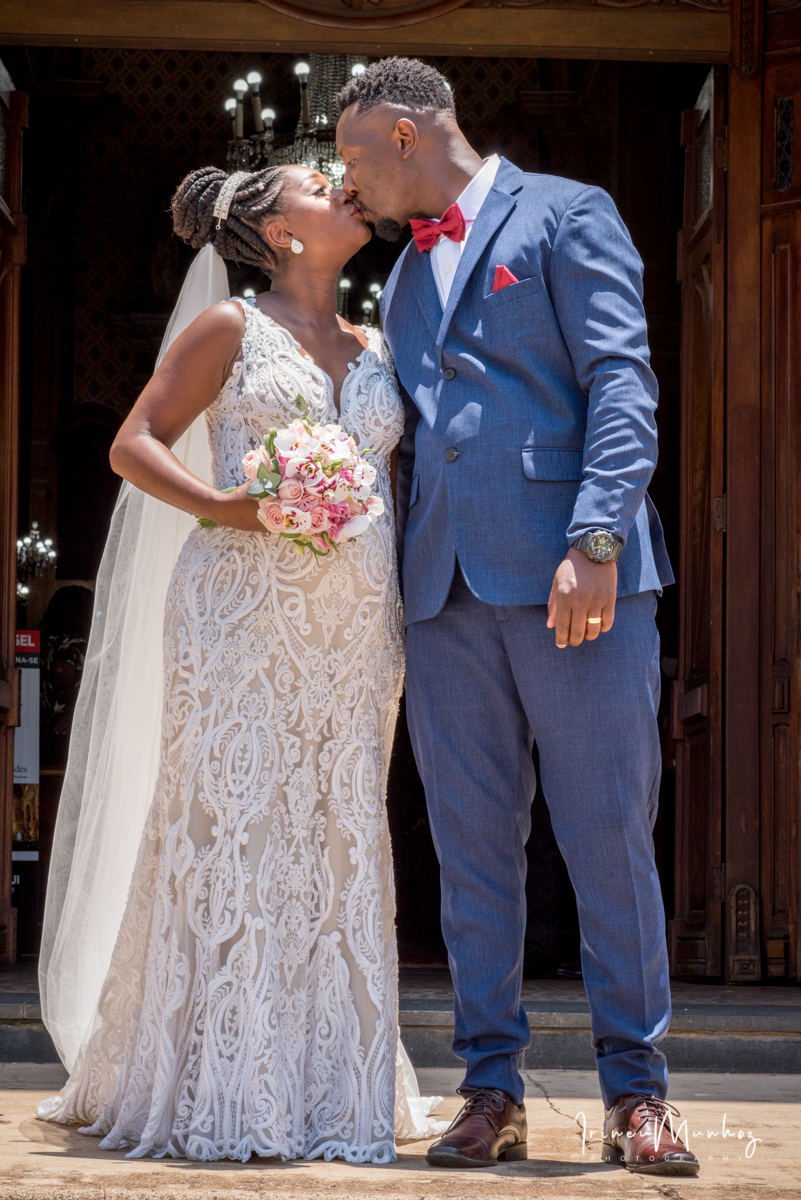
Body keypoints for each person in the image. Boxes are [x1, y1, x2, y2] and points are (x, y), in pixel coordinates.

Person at [36, 163, 445, 1161]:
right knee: (233, 825)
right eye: (317, 181)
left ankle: (326, 1079)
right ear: (275, 229)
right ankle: (220, 1072)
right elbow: (132, 444)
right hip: (238, 616)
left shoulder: (382, 343)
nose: (344, 184)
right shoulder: (232, 330)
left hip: (354, 631)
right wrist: (226, 506)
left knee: (338, 833)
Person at [336, 57, 699, 1177]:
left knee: (605, 840)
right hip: (442, 594)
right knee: (470, 855)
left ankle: (636, 1093)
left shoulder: (567, 214)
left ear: (406, 133)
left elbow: (623, 382)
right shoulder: (400, 281)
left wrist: (596, 539)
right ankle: (490, 1088)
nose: (347, 183)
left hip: (577, 583)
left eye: (352, 155)